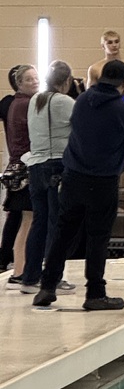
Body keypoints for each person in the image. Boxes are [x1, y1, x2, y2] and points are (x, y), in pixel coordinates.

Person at [32, 60, 124, 310]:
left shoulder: (82, 101)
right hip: (103, 181)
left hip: (73, 177)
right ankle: (95, 294)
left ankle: (47, 286)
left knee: (63, 233)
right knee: (98, 237)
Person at [19, 61, 76, 294]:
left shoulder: (35, 100)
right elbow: (81, 127)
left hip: (36, 166)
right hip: (57, 166)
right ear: (67, 81)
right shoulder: (66, 101)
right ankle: (52, 279)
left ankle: (30, 278)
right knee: (56, 225)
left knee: (39, 223)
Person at [4, 65, 39, 287]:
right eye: (29, 79)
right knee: (28, 221)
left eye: (36, 78)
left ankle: (21, 269)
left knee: (26, 221)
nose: (34, 82)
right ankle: (19, 271)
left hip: (20, 166)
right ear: (19, 84)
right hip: (25, 169)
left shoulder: (18, 103)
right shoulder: (26, 104)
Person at [0, 65, 22, 273]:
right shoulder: (10, 102)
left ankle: (7, 256)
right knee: (17, 214)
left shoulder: (11, 103)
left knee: (18, 215)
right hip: (21, 165)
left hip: (20, 162)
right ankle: (5, 257)